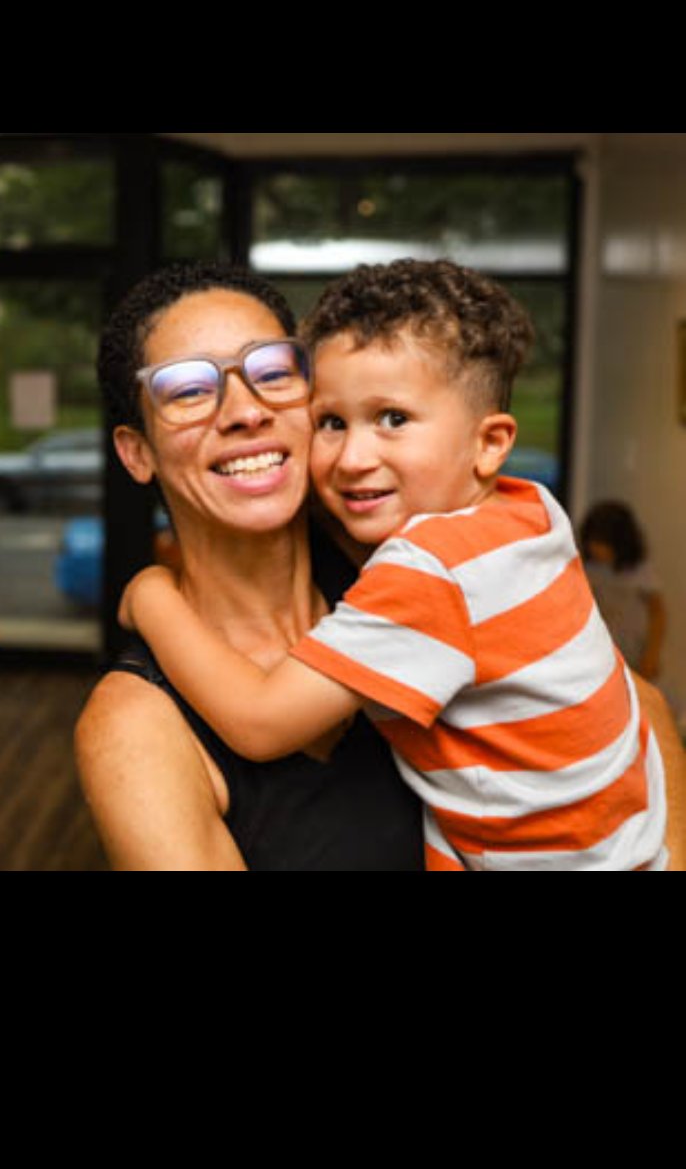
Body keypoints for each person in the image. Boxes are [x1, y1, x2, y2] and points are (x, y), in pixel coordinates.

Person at [121, 260, 674, 872]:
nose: (356, 456)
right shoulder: (528, 513)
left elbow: (258, 722)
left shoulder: (424, 571)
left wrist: (149, 592)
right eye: (333, 421)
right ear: (137, 451)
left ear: (490, 443)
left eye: (271, 374)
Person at [74, 263, 424, 872]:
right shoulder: (136, 727)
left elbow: (627, 706)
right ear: (137, 453)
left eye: (272, 372)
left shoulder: (397, 559)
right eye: (187, 389)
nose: (245, 411)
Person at [580, 502, 666, 684]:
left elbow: (657, 613)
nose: (596, 548)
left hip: (636, 651)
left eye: (602, 542)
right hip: (604, 648)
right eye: (593, 542)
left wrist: (652, 653)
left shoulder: (640, 570)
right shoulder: (589, 568)